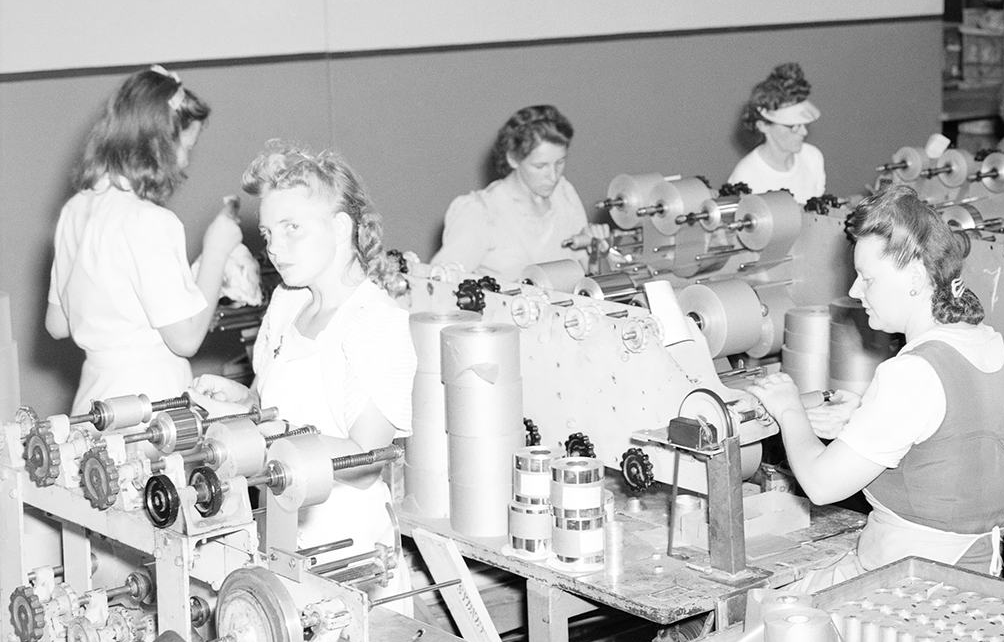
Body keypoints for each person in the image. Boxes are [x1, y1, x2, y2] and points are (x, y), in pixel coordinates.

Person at [747, 186, 1004, 577]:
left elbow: (821, 485)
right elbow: (954, 446)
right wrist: (860, 417)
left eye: (867, 278)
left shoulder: (912, 372)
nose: (854, 291)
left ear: (914, 276)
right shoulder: (996, 348)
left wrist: (788, 407)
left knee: (764, 618)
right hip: (983, 572)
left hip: (916, 582)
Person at [196, 143, 415, 557]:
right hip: (276, 522)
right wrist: (241, 401)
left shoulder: (373, 321)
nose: (274, 247)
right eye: (267, 234)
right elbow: (270, 404)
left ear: (339, 228)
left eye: (291, 227)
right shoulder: (287, 302)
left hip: (347, 543)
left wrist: (263, 434)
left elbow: (366, 461)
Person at [47, 65, 244, 412]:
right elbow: (186, 338)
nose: (186, 161)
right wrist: (216, 250)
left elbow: (58, 324)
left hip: (94, 396)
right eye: (186, 147)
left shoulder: (76, 209)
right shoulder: (148, 221)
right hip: (149, 403)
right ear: (160, 144)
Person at [431, 105, 601, 280]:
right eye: (540, 166)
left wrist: (597, 249)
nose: (553, 176)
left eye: (560, 163)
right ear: (513, 158)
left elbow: (586, 271)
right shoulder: (481, 213)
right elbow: (438, 282)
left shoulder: (564, 195)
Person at [728, 62, 826, 200]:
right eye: (792, 126)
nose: (803, 132)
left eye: (803, 124)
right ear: (763, 126)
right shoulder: (746, 177)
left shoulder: (812, 157)